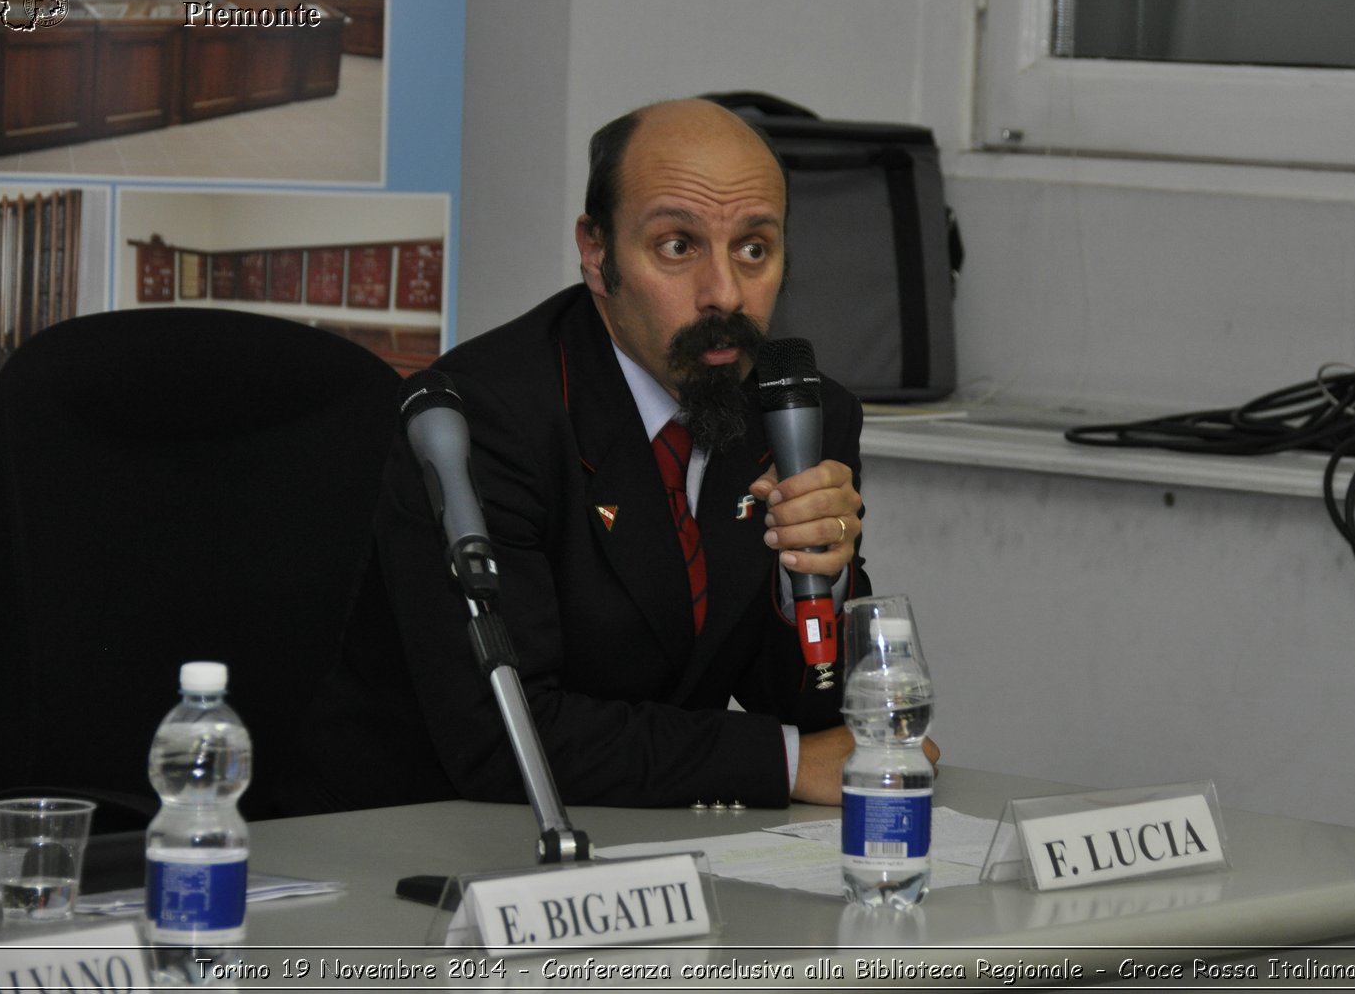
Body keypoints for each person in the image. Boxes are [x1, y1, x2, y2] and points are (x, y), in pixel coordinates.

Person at [280, 98, 935, 814]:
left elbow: (812, 710)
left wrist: (812, 583)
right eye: (678, 247)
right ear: (596, 253)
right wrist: (781, 763)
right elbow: (509, 736)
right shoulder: (484, 416)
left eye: (754, 248)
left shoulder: (800, 415)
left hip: (642, 837)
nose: (724, 293)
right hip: (410, 837)